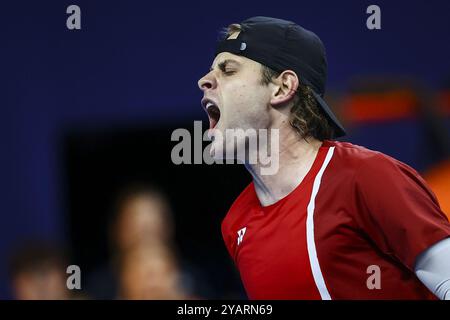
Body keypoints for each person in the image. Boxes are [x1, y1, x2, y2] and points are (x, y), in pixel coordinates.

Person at [197, 16, 450, 299]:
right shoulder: (236, 224)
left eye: (228, 70)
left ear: (282, 88)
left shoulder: (365, 177)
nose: (204, 81)